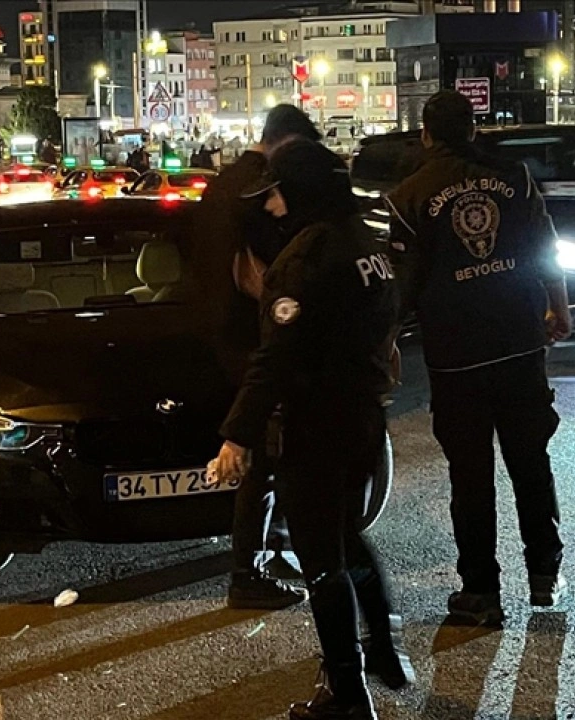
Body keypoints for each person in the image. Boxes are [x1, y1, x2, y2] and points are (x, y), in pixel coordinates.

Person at [212, 140, 411, 720]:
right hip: (363, 414)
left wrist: (238, 434)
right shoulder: (366, 243)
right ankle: (383, 650)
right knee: (348, 537)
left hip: (317, 424)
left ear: (298, 191)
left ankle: (347, 693)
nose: (272, 206)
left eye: (276, 192)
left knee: (323, 558)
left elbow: (276, 359)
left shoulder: (303, 260)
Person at [385, 90, 572, 627]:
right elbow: (545, 244)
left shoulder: (409, 195)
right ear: (473, 129)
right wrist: (558, 307)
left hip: (456, 355)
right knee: (531, 462)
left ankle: (481, 591)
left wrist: (388, 343)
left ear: (426, 134)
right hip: (518, 341)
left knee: (470, 477)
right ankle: (544, 572)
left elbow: (405, 284)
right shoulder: (514, 176)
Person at [193, 104, 322, 610]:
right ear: (285, 143)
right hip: (257, 331)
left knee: (260, 454)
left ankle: (262, 556)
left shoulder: (219, 185)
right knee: (264, 455)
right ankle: (249, 570)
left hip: (218, 328)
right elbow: (278, 268)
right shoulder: (261, 190)